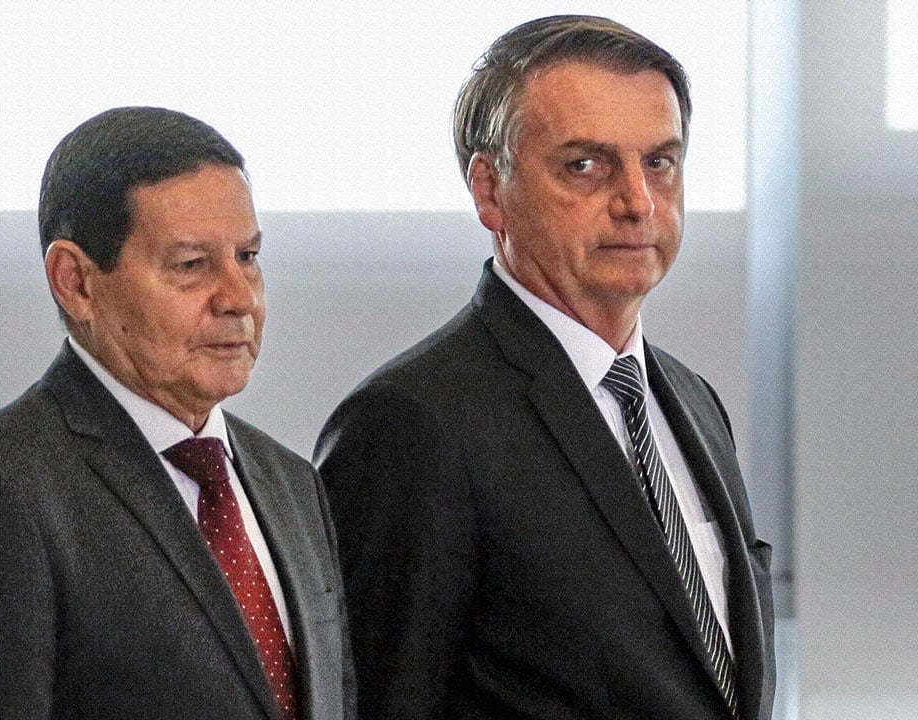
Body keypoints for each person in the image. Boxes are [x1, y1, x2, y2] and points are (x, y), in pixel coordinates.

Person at [315, 16, 774, 720]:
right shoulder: (410, 425)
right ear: (489, 191)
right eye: (585, 166)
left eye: (660, 162)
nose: (637, 202)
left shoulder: (693, 400)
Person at [0, 107, 355, 720]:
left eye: (248, 256)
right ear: (75, 282)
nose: (239, 298)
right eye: (191, 265)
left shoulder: (292, 483)